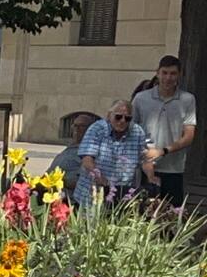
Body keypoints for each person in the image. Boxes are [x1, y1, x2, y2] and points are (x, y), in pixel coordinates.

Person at [133, 55, 198, 206]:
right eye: (165, 73)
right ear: (157, 73)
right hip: (144, 168)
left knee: (170, 218)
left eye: (173, 73)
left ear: (179, 75)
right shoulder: (141, 98)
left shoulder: (187, 100)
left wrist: (163, 151)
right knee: (142, 217)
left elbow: (188, 136)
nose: (168, 78)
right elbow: (132, 131)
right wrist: (145, 157)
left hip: (173, 169)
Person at [73, 99, 157, 209]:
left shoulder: (137, 132)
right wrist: (100, 178)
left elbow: (144, 159)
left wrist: (151, 178)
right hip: (92, 192)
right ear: (109, 116)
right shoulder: (97, 129)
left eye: (127, 118)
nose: (122, 121)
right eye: (118, 117)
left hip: (121, 193)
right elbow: (87, 159)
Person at [46, 112, 97, 200]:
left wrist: (59, 180)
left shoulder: (89, 152)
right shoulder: (70, 148)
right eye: (75, 125)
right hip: (50, 188)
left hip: (66, 197)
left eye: (82, 126)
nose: (77, 129)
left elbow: (81, 180)